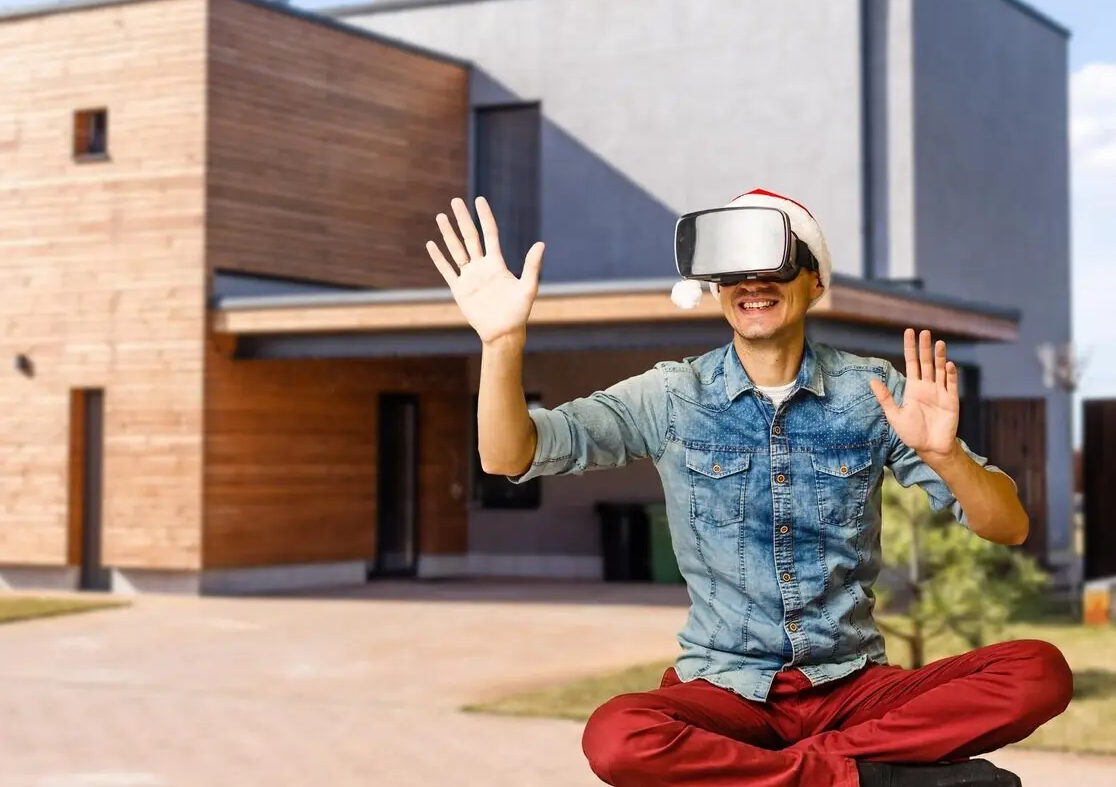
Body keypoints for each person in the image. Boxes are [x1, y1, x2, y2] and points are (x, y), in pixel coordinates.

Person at [425, 190, 1072, 787]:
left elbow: (1007, 525)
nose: (754, 284)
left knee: (1038, 671)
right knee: (618, 738)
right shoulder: (672, 395)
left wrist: (945, 454)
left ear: (815, 280)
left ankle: (790, 776)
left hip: (852, 686)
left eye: (777, 265)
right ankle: (868, 776)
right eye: (735, 271)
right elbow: (511, 453)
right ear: (717, 288)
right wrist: (502, 340)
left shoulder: (873, 394)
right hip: (725, 690)